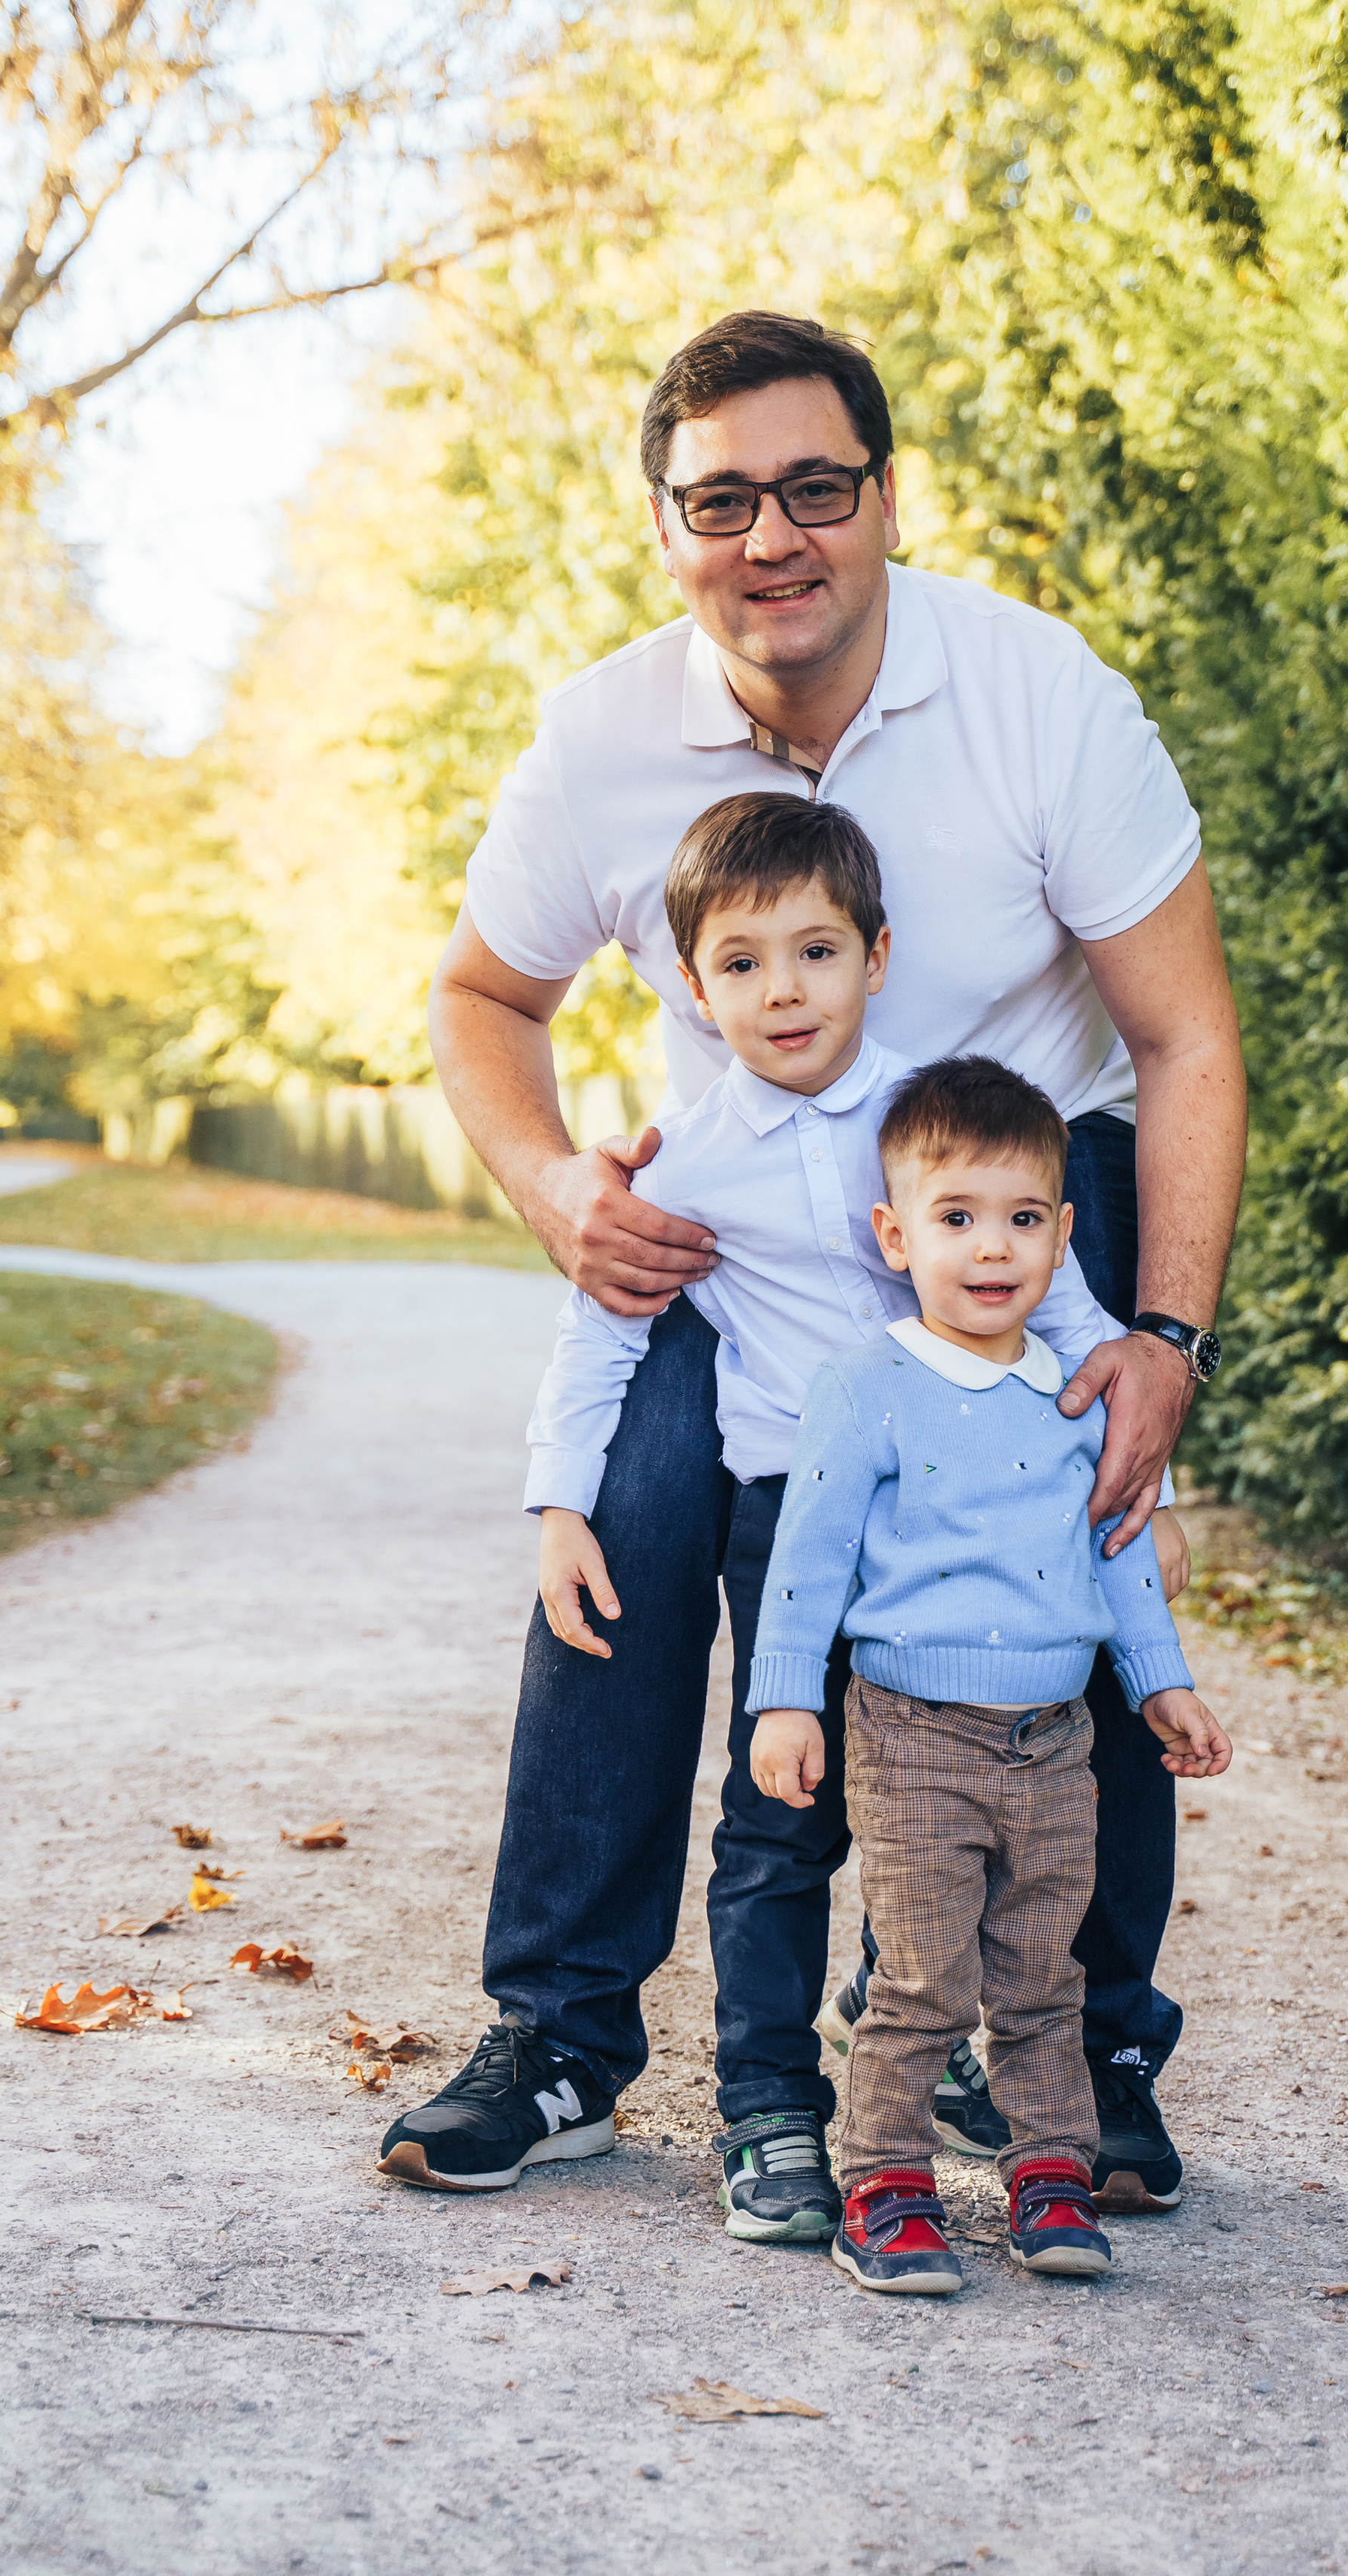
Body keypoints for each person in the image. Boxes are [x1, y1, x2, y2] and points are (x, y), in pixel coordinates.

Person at [381, 308, 1247, 2208]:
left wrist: (1162, 1333)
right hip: (753, 1215)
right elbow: (478, 993)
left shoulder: (1040, 699)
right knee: (622, 1519)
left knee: (1061, 1555)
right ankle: (560, 2035)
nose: (768, 536)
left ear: (876, 496)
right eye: (720, 502)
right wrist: (555, 1191)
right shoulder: (600, 740)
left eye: (811, 489)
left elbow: (1183, 1038)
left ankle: (1069, 2046)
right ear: (666, 524)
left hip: (1005, 1199)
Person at [410, 790, 1177, 2236]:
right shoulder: (686, 1163)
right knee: (778, 1830)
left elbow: (1078, 1325)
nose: (784, 991)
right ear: (692, 991)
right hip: (791, 1541)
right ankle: (768, 2108)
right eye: (744, 963)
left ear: (877, 958)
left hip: (955, 1547)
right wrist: (562, 1503)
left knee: (963, 1816)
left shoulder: (944, 1122)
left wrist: (1152, 1487)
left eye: (817, 951)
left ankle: (970, 2077)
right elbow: (607, 1334)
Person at [748, 1055, 1230, 2296]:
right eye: (956, 1218)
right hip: (911, 1735)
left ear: (1064, 1235)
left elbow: (1116, 1551)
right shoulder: (869, 1385)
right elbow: (809, 1554)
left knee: (1040, 1977)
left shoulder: (1080, 1392)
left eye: (1022, 1220)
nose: (990, 1248)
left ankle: (1050, 2177)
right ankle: (887, 2187)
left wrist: (1159, 1681)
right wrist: (786, 1699)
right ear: (893, 1233)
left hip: (1054, 1744)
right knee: (920, 1978)